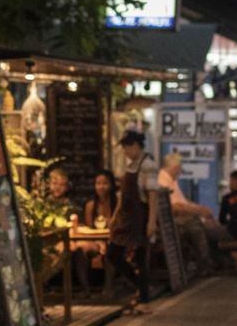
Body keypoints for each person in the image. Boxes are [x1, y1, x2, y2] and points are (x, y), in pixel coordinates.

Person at [107, 129, 161, 304]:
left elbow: (152, 195)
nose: (125, 152)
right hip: (125, 218)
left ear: (137, 146)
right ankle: (140, 286)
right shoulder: (130, 166)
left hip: (140, 217)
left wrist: (152, 221)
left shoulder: (148, 165)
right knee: (113, 253)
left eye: (127, 147)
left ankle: (144, 301)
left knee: (140, 258)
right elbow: (122, 196)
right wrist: (115, 217)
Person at [157, 152, 220, 272]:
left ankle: (214, 259)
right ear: (175, 167)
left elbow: (183, 202)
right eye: (180, 168)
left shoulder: (171, 181)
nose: (181, 171)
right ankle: (205, 263)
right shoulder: (163, 180)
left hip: (178, 216)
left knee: (207, 222)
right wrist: (200, 211)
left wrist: (202, 209)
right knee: (195, 225)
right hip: (171, 220)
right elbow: (175, 207)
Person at [71, 169, 118, 290]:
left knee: (110, 251)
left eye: (105, 183)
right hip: (96, 239)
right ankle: (85, 287)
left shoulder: (117, 203)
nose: (101, 187)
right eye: (98, 183)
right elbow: (88, 227)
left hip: (114, 238)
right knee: (80, 250)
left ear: (111, 185)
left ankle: (108, 288)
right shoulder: (91, 205)